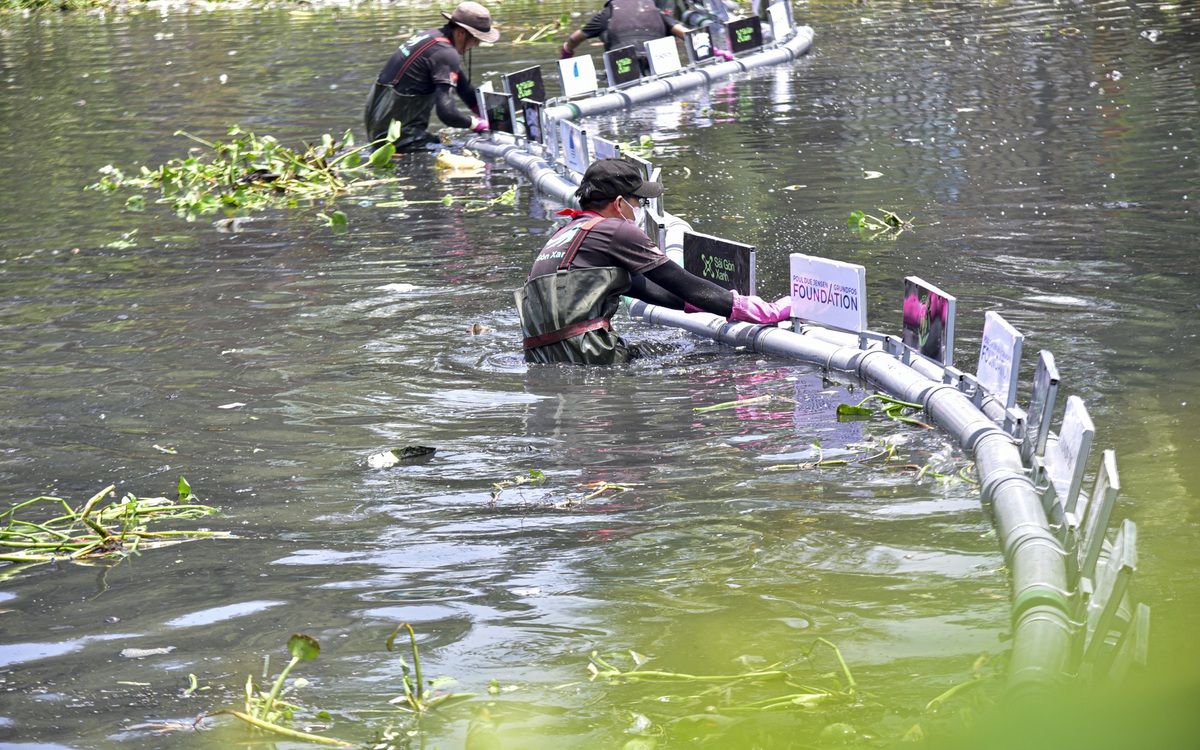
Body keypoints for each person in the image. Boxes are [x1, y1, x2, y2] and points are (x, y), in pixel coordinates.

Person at [516, 159, 791, 365]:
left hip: (540, 356)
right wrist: (756, 310)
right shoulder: (616, 230)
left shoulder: (565, 234)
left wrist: (701, 305)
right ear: (620, 203)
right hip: (587, 355)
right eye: (640, 202)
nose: (640, 209)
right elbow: (686, 285)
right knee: (703, 358)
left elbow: (647, 289)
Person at [364, 2, 498, 153]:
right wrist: (475, 124)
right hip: (398, 139)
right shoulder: (445, 53)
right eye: (476, 39)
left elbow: (464, 87)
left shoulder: (432, 38)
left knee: (445, 142)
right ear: (461, 32)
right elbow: (447, 114)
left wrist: (487, 114)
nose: (477, 44)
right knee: (457, 150)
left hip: (379, 129)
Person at [559, 0, 689, 73]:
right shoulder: (655, 11)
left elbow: (574, 39)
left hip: (624, 66)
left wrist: (566, 53)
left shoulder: (607, 13)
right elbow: (686, 34)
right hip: (660, 63)